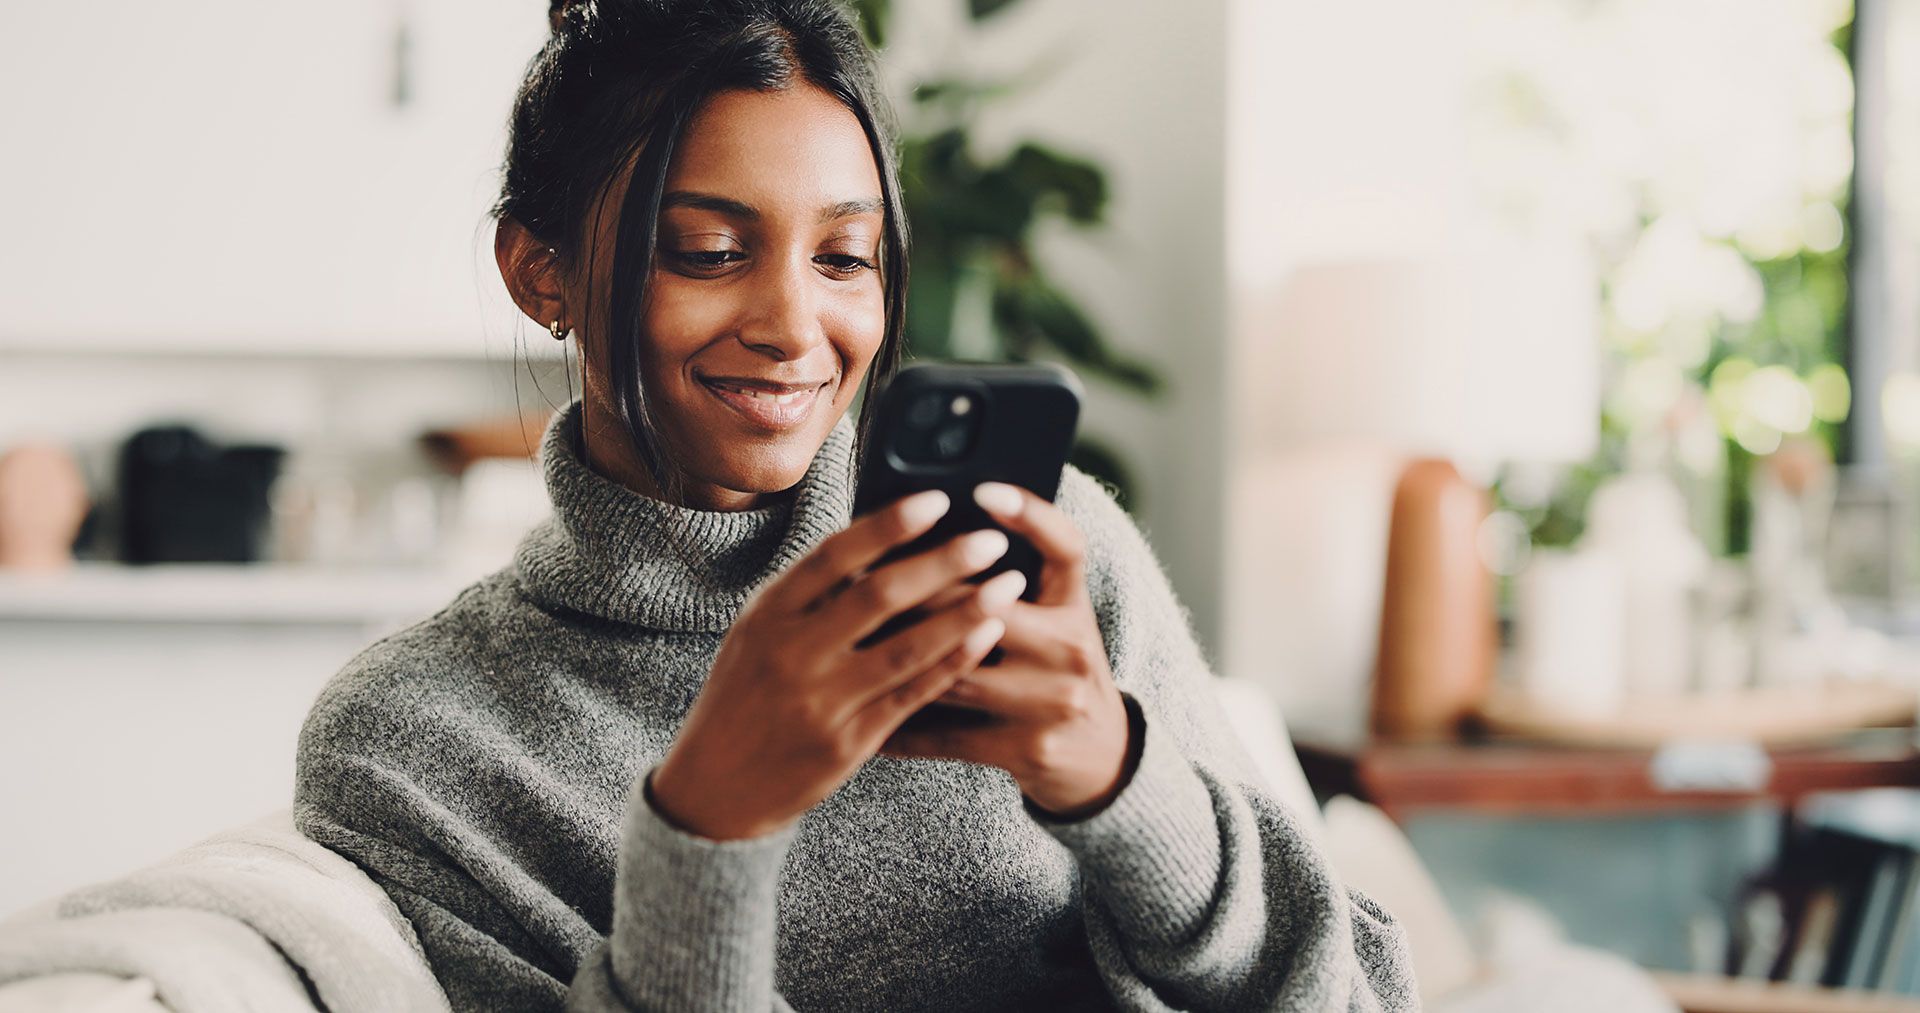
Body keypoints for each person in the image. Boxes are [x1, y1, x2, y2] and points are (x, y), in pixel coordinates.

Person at [293, 0, 1416, 1009]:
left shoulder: (1039, 555)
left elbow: (1352, 997)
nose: (794, 324)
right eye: (711, 251)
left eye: (844, 256)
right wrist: (707, 828)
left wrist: (1125, 778)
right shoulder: (418, 739)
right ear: (540, 272)